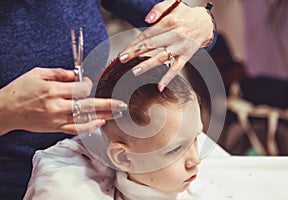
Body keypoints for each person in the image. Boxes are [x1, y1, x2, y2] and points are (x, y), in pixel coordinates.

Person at [0, 0, 216, 198]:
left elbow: (179, 19)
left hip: (106, 156)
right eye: (176, 149)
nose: (196, 160)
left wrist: (201, 23)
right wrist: (5, 110)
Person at [24, 56, 221, 200]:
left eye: (196, 137)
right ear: (123, 157)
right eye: (176, 150)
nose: (195, 160)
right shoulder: (65, 188)